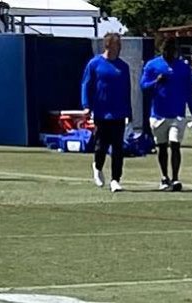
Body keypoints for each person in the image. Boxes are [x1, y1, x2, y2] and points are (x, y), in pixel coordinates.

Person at [141, 36, 192, 192]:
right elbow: (143, 86)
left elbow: (189, 92)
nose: (170, 53)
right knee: (162, 147)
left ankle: (175, 178)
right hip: (158, 114)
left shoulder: (182, 67)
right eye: (167, 50)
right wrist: (156, 81)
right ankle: (164, 177)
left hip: (177, 114)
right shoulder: (152, 65)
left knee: (175, 144)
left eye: (172, 50)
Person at [81, 32, 131, 193]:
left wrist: (129, 111)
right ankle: (97, 166)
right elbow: (86, 85)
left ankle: (116, 179)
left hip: (119, 113)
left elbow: (127, 90)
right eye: (116, 45)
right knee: (101, 146)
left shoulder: (123, 67)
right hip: (102, 112)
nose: (118, 49)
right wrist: (86, 105)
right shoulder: (94, 64)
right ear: (108, 45)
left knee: (118, 148)